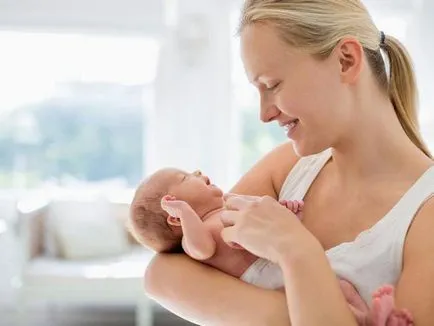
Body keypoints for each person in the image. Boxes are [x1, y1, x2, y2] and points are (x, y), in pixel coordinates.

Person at [144, 1, 434, 325]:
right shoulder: (290, 169)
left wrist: (298, 253)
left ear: (345, 60)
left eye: (272, 85)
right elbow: (163, 273)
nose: (264, 113)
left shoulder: (426, 216)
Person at [130, 168, 412, 325]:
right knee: (324, 295)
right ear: (174, 215)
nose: (197, 172)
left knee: (342, 288)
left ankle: (369, 318)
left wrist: (285, 211)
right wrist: (185, 212)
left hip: (279, 265)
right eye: (184, 178)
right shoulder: (199, 234)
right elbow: (201, 249)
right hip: (265, 280)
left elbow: (266, 221)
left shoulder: (228, 204)